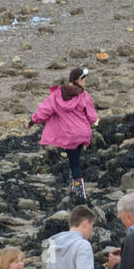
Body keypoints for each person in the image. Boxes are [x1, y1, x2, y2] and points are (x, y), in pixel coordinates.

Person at [32, 66, 99, 201]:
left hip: (69, 136)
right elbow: (92, 117)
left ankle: (80, 194)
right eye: (84, 79)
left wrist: (32, 121)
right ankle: (74, 188)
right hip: (83, 134)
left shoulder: (57, 95)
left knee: (74, 163)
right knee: (75, 160)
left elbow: (43, 111)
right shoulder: (84, 96)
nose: (85, 82)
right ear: (78, 80)